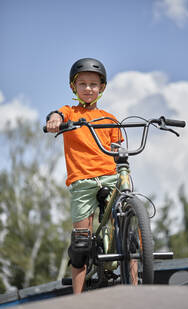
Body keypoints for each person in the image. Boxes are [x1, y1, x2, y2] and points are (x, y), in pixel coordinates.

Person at [46, 58, 123, 294]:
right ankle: (77, 299)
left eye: (93, 84)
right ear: (73, 87)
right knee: (81, 241)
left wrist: (120, 153)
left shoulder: (110, 119)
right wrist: (55, 120)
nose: (88, 88)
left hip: (109, 176)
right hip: (82, 181)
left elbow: (117, 149)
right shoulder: (70, 112)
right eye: (83, 84)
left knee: (127, 231)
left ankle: (136, 283)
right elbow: (57, 113)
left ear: (102, 88)